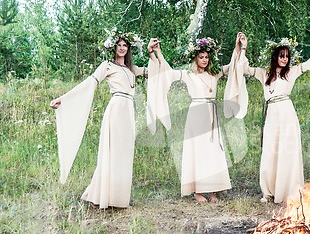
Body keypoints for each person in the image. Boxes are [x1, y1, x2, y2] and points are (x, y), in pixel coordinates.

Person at [50, 28, 159, 209]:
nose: (122, 48)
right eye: (119, 45)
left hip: (128, 112)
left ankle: (118, 197)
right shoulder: (108, 66)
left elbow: (154, 72)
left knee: (124, 153)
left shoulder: (131, 69)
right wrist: (63, 98)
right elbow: (89, 83)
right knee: (113, 152)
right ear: (114, 47)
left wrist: (151, 52)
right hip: (116, 110)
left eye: (125, 45)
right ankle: (103, 195)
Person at [235, 30, 310, 204]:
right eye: (281, 56)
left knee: (287, 150)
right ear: (275, 57)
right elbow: (242, 68)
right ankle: (269, 192)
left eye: (287, 56)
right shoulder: (263, 73)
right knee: (270, 151)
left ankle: (289, 190)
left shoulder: (292, 72)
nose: (285, 59)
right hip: (272, 115)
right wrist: (243, 47)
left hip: (287, 114)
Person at [147, 36, 243, 203]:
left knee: (213, 151)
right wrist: (157, 52)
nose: (204, 60)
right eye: (201, 57)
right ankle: (197, 191)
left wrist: (238, 47)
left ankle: (212, 190)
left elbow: (232, 65)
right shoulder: (188, 75)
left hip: (211, 114)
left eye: (207, 57)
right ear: (195, 58)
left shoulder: (214, 74)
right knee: (199, 152)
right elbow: (168, 72)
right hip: (197, 114)